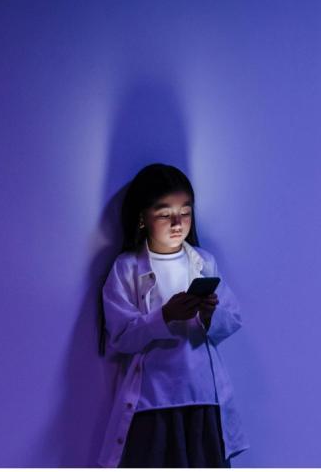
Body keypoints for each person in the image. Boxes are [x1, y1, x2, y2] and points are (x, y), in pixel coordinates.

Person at [97, 163, 250, 468]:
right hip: (153, 404)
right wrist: (164, 317)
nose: (178, 223)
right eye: (165, 214)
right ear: (142, 218)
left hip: (204, 402)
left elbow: (232, 319)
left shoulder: (204, 262)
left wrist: (209, 315)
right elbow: (122, 337)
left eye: (186, 211)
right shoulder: (127, 268)